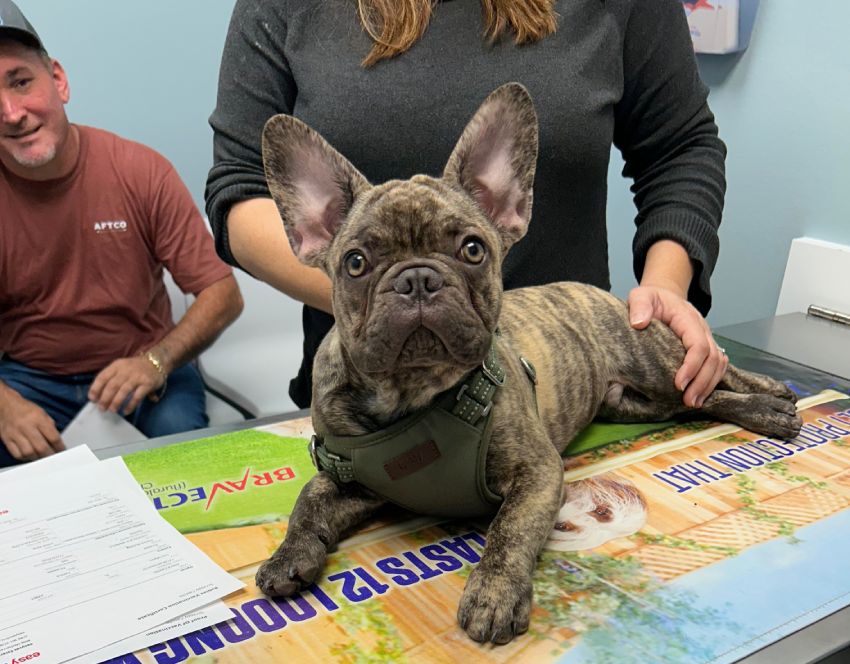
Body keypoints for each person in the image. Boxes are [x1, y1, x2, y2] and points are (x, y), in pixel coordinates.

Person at [205, 0, 728, 412]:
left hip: (571, 388)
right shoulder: (281, 7)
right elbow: (240, 189)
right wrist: (383, 308)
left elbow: (679, 148)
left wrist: (664, 288)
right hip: (369, 405)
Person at [0, 0, 244, 466]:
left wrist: (156, 362)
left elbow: (222, 293)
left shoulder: (139, 170)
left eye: (21, 82)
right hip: (29, 379)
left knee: (182, 469)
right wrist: (4, 407)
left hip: (146, 367)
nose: (11, 113)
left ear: (58, 80)